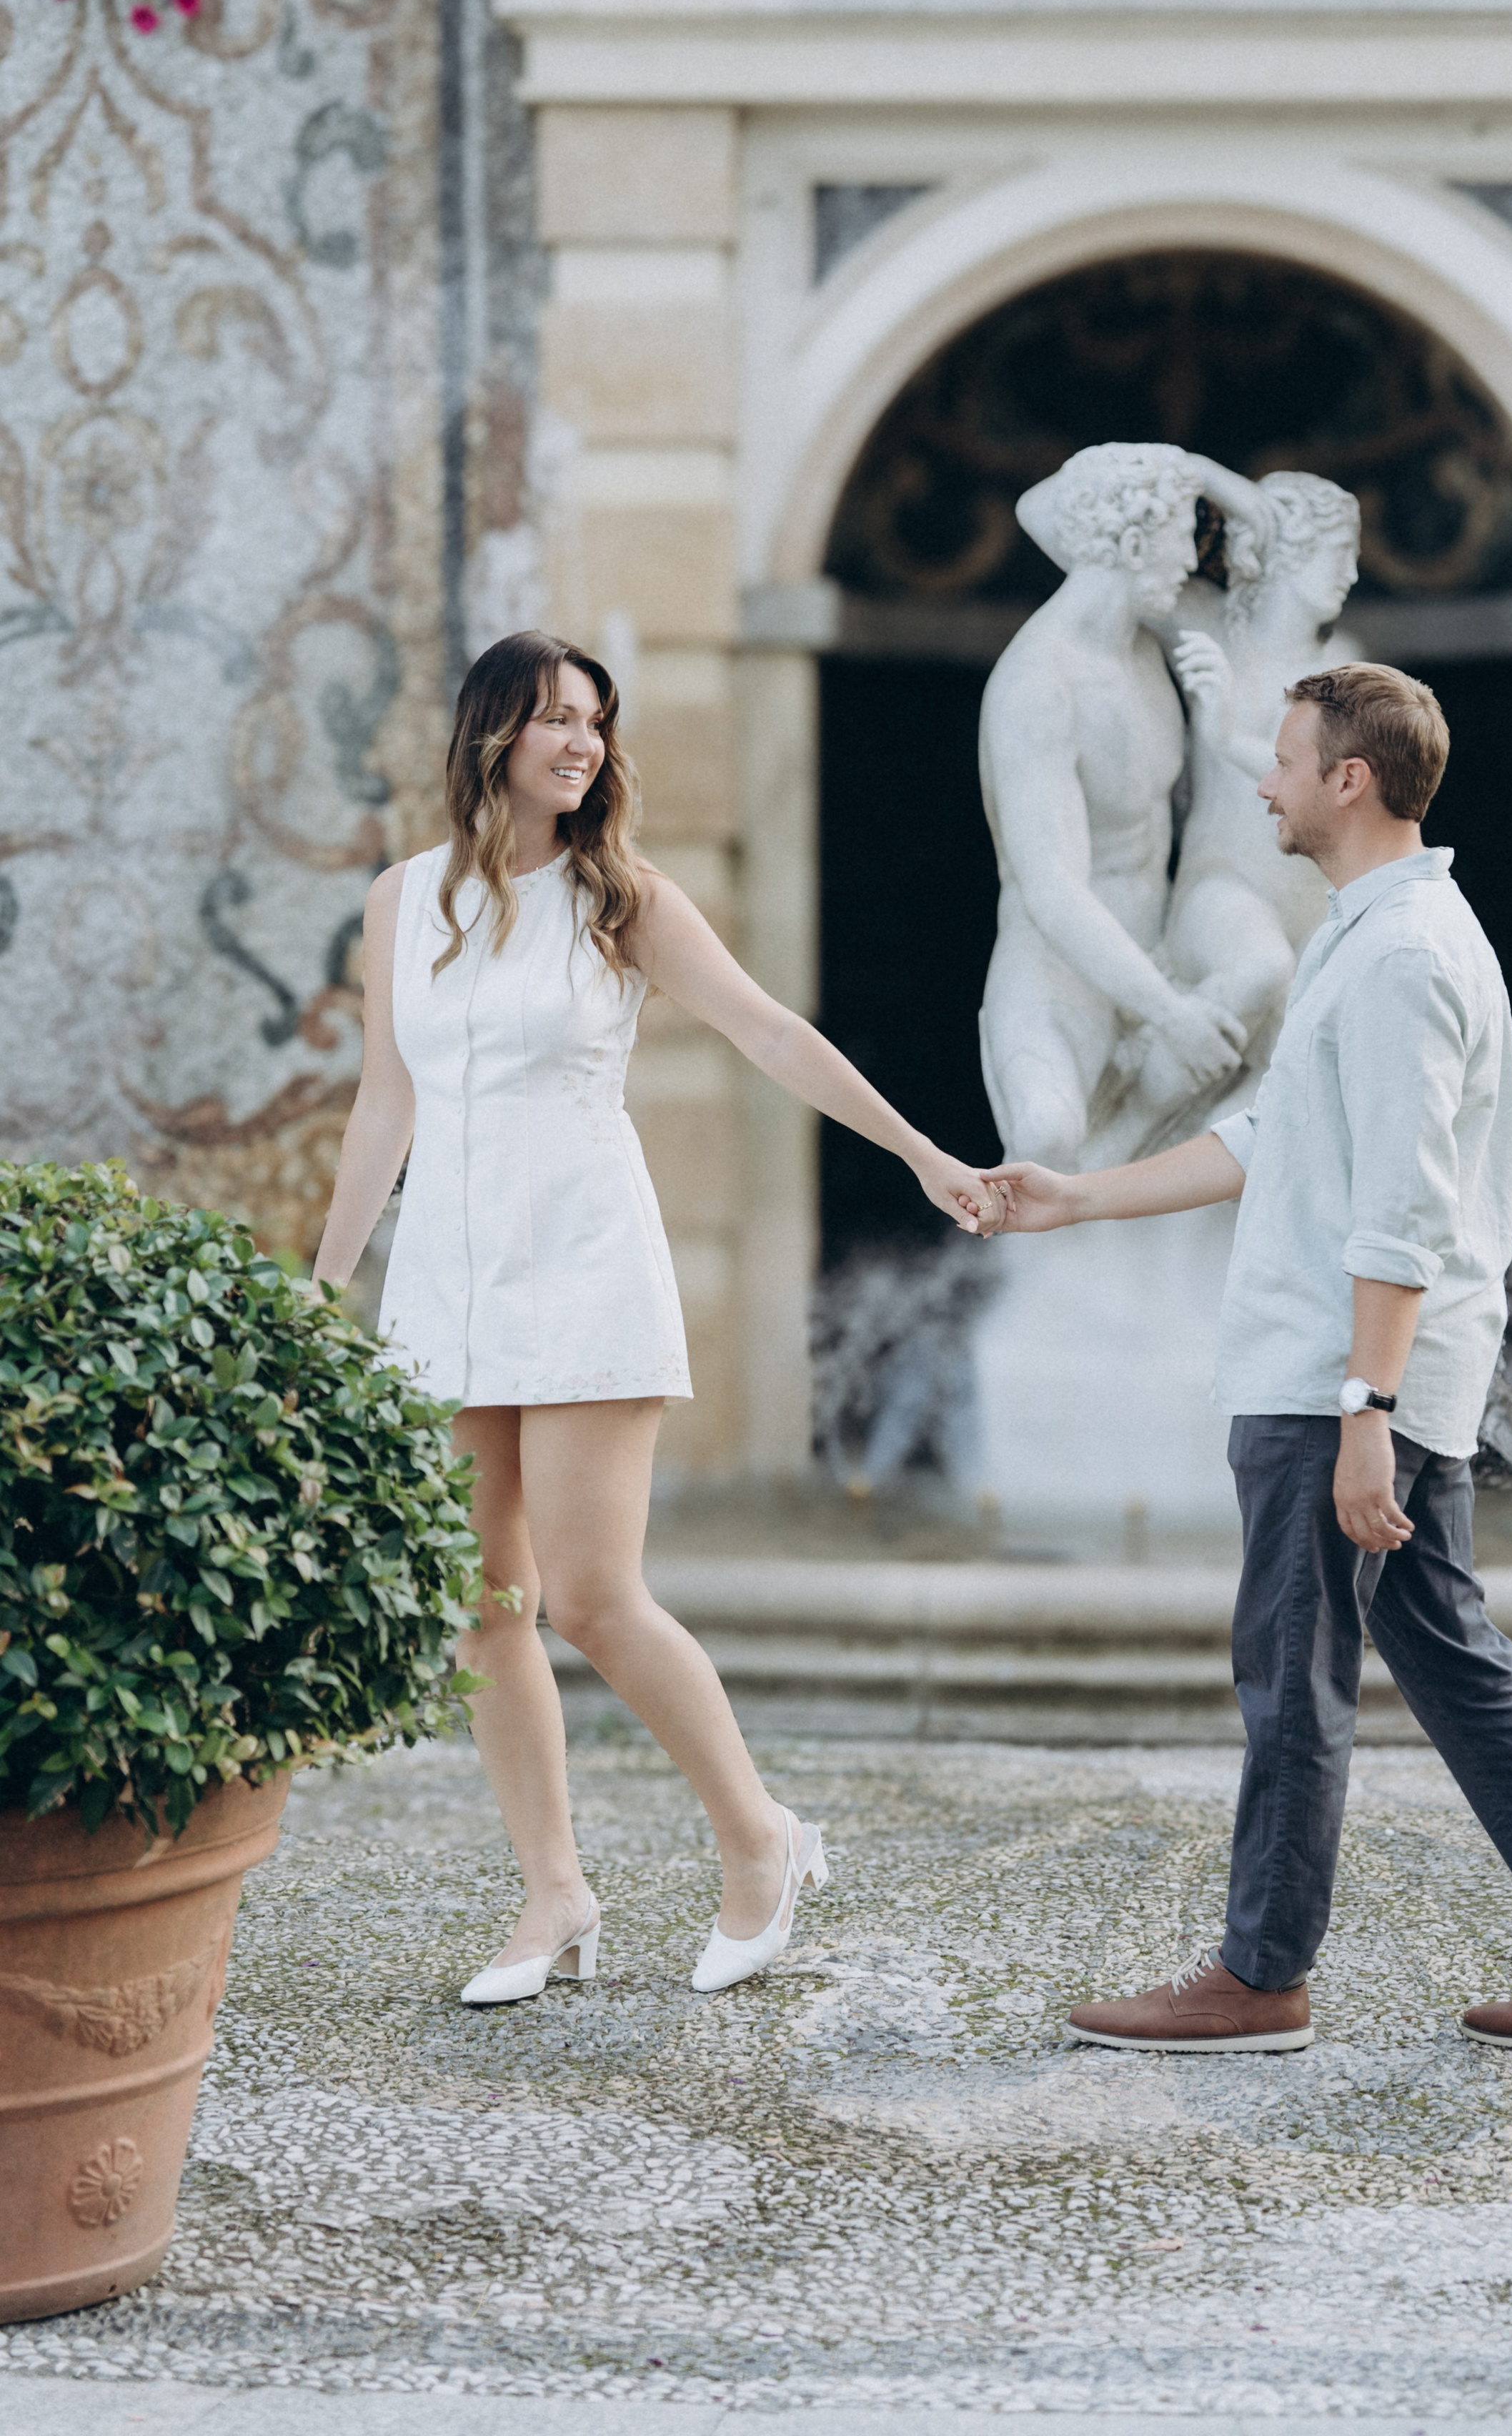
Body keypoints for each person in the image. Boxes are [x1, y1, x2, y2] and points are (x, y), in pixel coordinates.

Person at [984, 663, 1512, 2054]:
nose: (1261, 786)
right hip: (1350, 1378)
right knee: (1443, 1652)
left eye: (1284, 763)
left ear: (1346, 782)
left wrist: (1362, 1410)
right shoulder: (1369, 938)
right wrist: (1076, 1194)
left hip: (1334, 1384)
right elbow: (1269, 1143)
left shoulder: (1402, 957)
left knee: (1291, 1677)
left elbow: (1399, 1208)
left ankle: (1260, 1977)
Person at [312, 629, 1003, 2007]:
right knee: (481, 1605)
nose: (583, 744)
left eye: (596, 724)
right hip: (448, 1284)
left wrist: (925, 1153)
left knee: (594, 1598)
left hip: (581, 1267)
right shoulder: (404, 900)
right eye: (557, 720)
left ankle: (763, 1842)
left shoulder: (620, 898)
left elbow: (771, 1035)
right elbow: (384, 1104)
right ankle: (553, 1894)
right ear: (490, 734)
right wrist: (319, 1300)